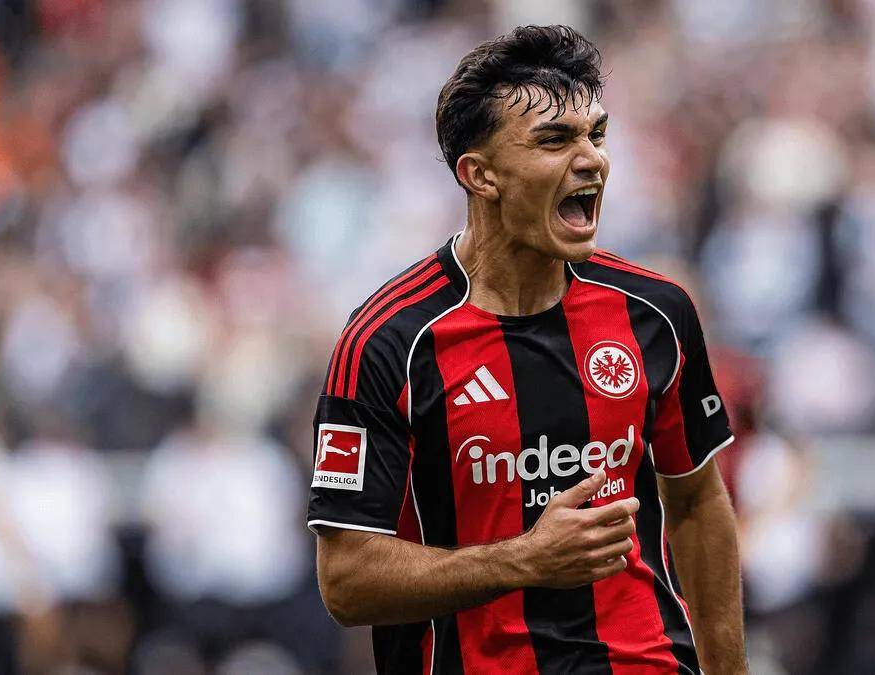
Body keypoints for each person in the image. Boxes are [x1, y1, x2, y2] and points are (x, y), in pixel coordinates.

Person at [306, 24, 746, 673]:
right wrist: (524, 560)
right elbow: (346, 581)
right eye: (554, 140)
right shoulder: (388, 341)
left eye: (597, 135)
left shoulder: (656, 313)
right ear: (480, 175)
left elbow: (697, 499)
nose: (592, 159)